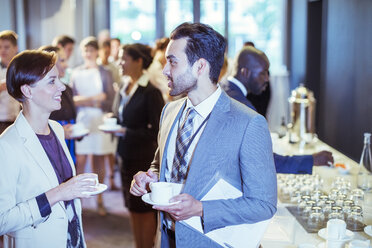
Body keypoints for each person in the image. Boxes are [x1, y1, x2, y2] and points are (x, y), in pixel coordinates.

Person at [130, 22, 277, 248]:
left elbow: (263, 204)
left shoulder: (249, 123)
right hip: (166, 239)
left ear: (200, 66)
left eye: (172, 61)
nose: (164, 70)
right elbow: (160, 165)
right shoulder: (170, 111)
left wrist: (201, 208)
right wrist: (149, 177)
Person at [0, 50, 98, 248]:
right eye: (52, 81)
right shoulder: (7, 145)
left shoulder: (57, 129)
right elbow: (3, 220)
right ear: (28, 91)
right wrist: (60, 193)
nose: (62, 87)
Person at [221, 46, 334, 174]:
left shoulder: (224, 88)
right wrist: (312, 160)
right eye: (263, 73)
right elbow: (264, 160)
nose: (267, 79)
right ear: (245, 72)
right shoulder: (242, 107)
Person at [107, 43, 164, 248]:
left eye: (124, 59)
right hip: (125, 155)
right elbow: (119, 116)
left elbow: (157, 131)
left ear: (138, 61)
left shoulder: (150, 92)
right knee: (131, 206)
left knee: (145, 210)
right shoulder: (124, 86)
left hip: (142, 158)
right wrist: (112, 120)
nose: (120, 63)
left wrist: (125, 131)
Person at [38, 45, 79, 162]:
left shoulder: (67, 89)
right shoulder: (40, 92)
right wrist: (60, 131)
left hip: (69, 150)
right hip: (50, 151)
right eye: (62, 60)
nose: (66, 65)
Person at [0, 30, 20, 134]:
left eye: (6, 47)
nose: (2, 50)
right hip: (1, 121)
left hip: (18, 120)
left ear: (15, 48)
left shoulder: (22, 69)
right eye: (0, 47)